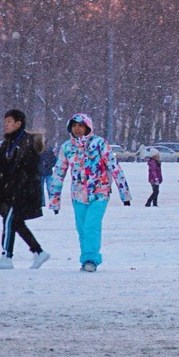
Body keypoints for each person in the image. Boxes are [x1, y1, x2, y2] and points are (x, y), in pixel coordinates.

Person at [46, 113, 131, 272]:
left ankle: (91, 259)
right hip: (78, 196)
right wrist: (54, 200)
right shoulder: (67, 147)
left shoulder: (99, 144)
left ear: (87, 127)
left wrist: (124, 193)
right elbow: (59, 173)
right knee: (82, 228)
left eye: (80, 125)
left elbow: (114, 167)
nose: (77, 129)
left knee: (92, 226)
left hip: (99, 193)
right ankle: (86, 258)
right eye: (74, 126)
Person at [0, 111, 49, 269]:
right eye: (5, 121)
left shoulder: (26, 142)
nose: (6, 124)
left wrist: (19, 183)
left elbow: (25, 167)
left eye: (9, 121)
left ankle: (6, 256)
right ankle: (38, 252)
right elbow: (3, 165)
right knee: (14, 223)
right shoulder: (8, 142)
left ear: (19, 123)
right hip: (8, 191)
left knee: (9, 221)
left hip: (22, 191)